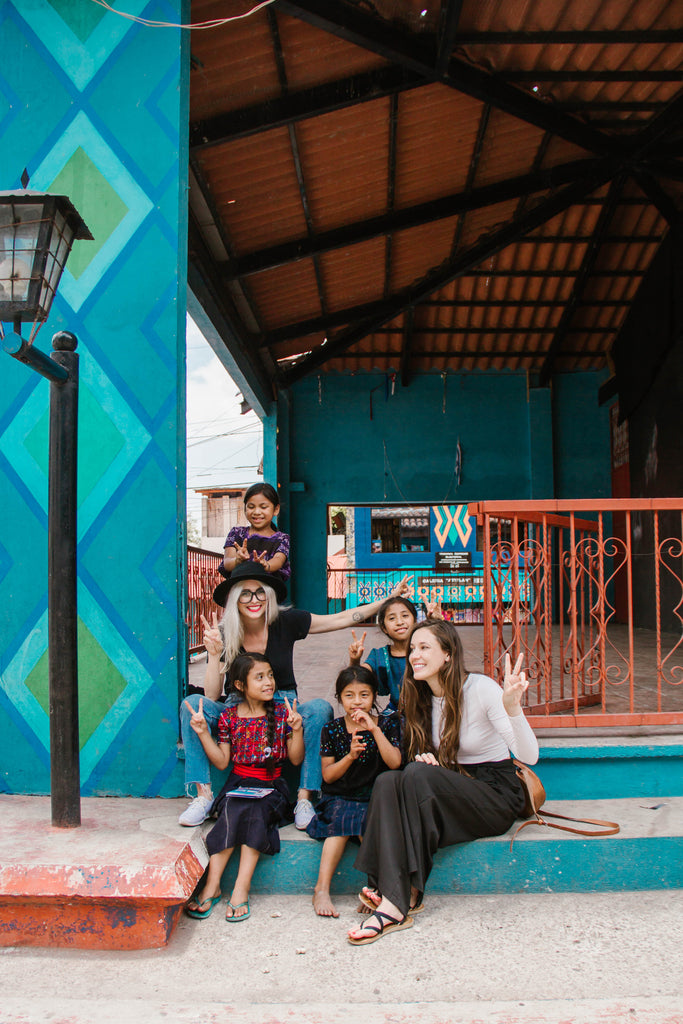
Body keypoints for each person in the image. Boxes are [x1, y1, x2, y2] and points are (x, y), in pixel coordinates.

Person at [178, 561, 412, 829]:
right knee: (190, 704)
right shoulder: (224, 633)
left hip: (283, 709)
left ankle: (304, 797)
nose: (254, 600)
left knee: (320, 709)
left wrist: (388, 600)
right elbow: (210, 694)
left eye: (260, 592)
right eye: (245, 593)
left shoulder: (285, 621)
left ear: (269, 594)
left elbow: (341, 618)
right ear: (234, 599)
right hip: (239, 711)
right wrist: (212, 653)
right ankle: (203, 796)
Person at [347, 620, 538, 946]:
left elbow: (529, 755)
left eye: (424, 648)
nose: (414, 656)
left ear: (448, 654)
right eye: (412, 649)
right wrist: (429, 762)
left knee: (414, 775)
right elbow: (419, 770)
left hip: (494, 794)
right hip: (454, 787)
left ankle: (393, 900)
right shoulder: (417, 697)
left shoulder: (480, 689)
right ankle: (397, 891)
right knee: (388, 782)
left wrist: (512, 708)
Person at [184, 653, 304, 921]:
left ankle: (241, 887)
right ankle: (213, 885)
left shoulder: (283, 712)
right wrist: (204, 732)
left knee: (255, 808)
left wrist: (297, 730)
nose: (268, 682)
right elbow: (222, 761)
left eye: (270, 675)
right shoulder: (229, 717)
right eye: (259, 677)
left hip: (272, 785)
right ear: (240, 685)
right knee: (235, 804)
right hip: (239, 782)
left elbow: (295, 758)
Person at [306, 666, 402, 918]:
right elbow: (328, 775)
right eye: (349, 695)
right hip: (339, 795)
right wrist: (349, 756)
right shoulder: (332, 729)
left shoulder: (388, 724)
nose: (357, 702)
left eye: (364, 695)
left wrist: (374, 729)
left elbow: (394, 762)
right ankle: (322, 889)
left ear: (374, 697)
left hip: (374, 797)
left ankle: (375, 888)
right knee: (341, 824)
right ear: (339, 698)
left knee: (368, 823)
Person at [348, 595, 418, 715]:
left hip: (427, 710)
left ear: (415, 621)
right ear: (384, 628)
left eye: (405, 616)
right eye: (392, 618)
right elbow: (358, 676)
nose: (400, 622)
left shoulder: (425, 651)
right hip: (396, 713)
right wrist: (355, 660)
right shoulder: (379, 655)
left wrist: (437, 626)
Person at [220, 482, 290, 585]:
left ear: (276, 510)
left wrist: (266, 565)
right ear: (245, 509)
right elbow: (227, 563)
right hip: (240, 589)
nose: (257, 512)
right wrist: (237, 560)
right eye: (251, 507)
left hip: (267, 590)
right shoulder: (236, 533)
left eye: (263, 507)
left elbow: (278, 560)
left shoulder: (282, 539)